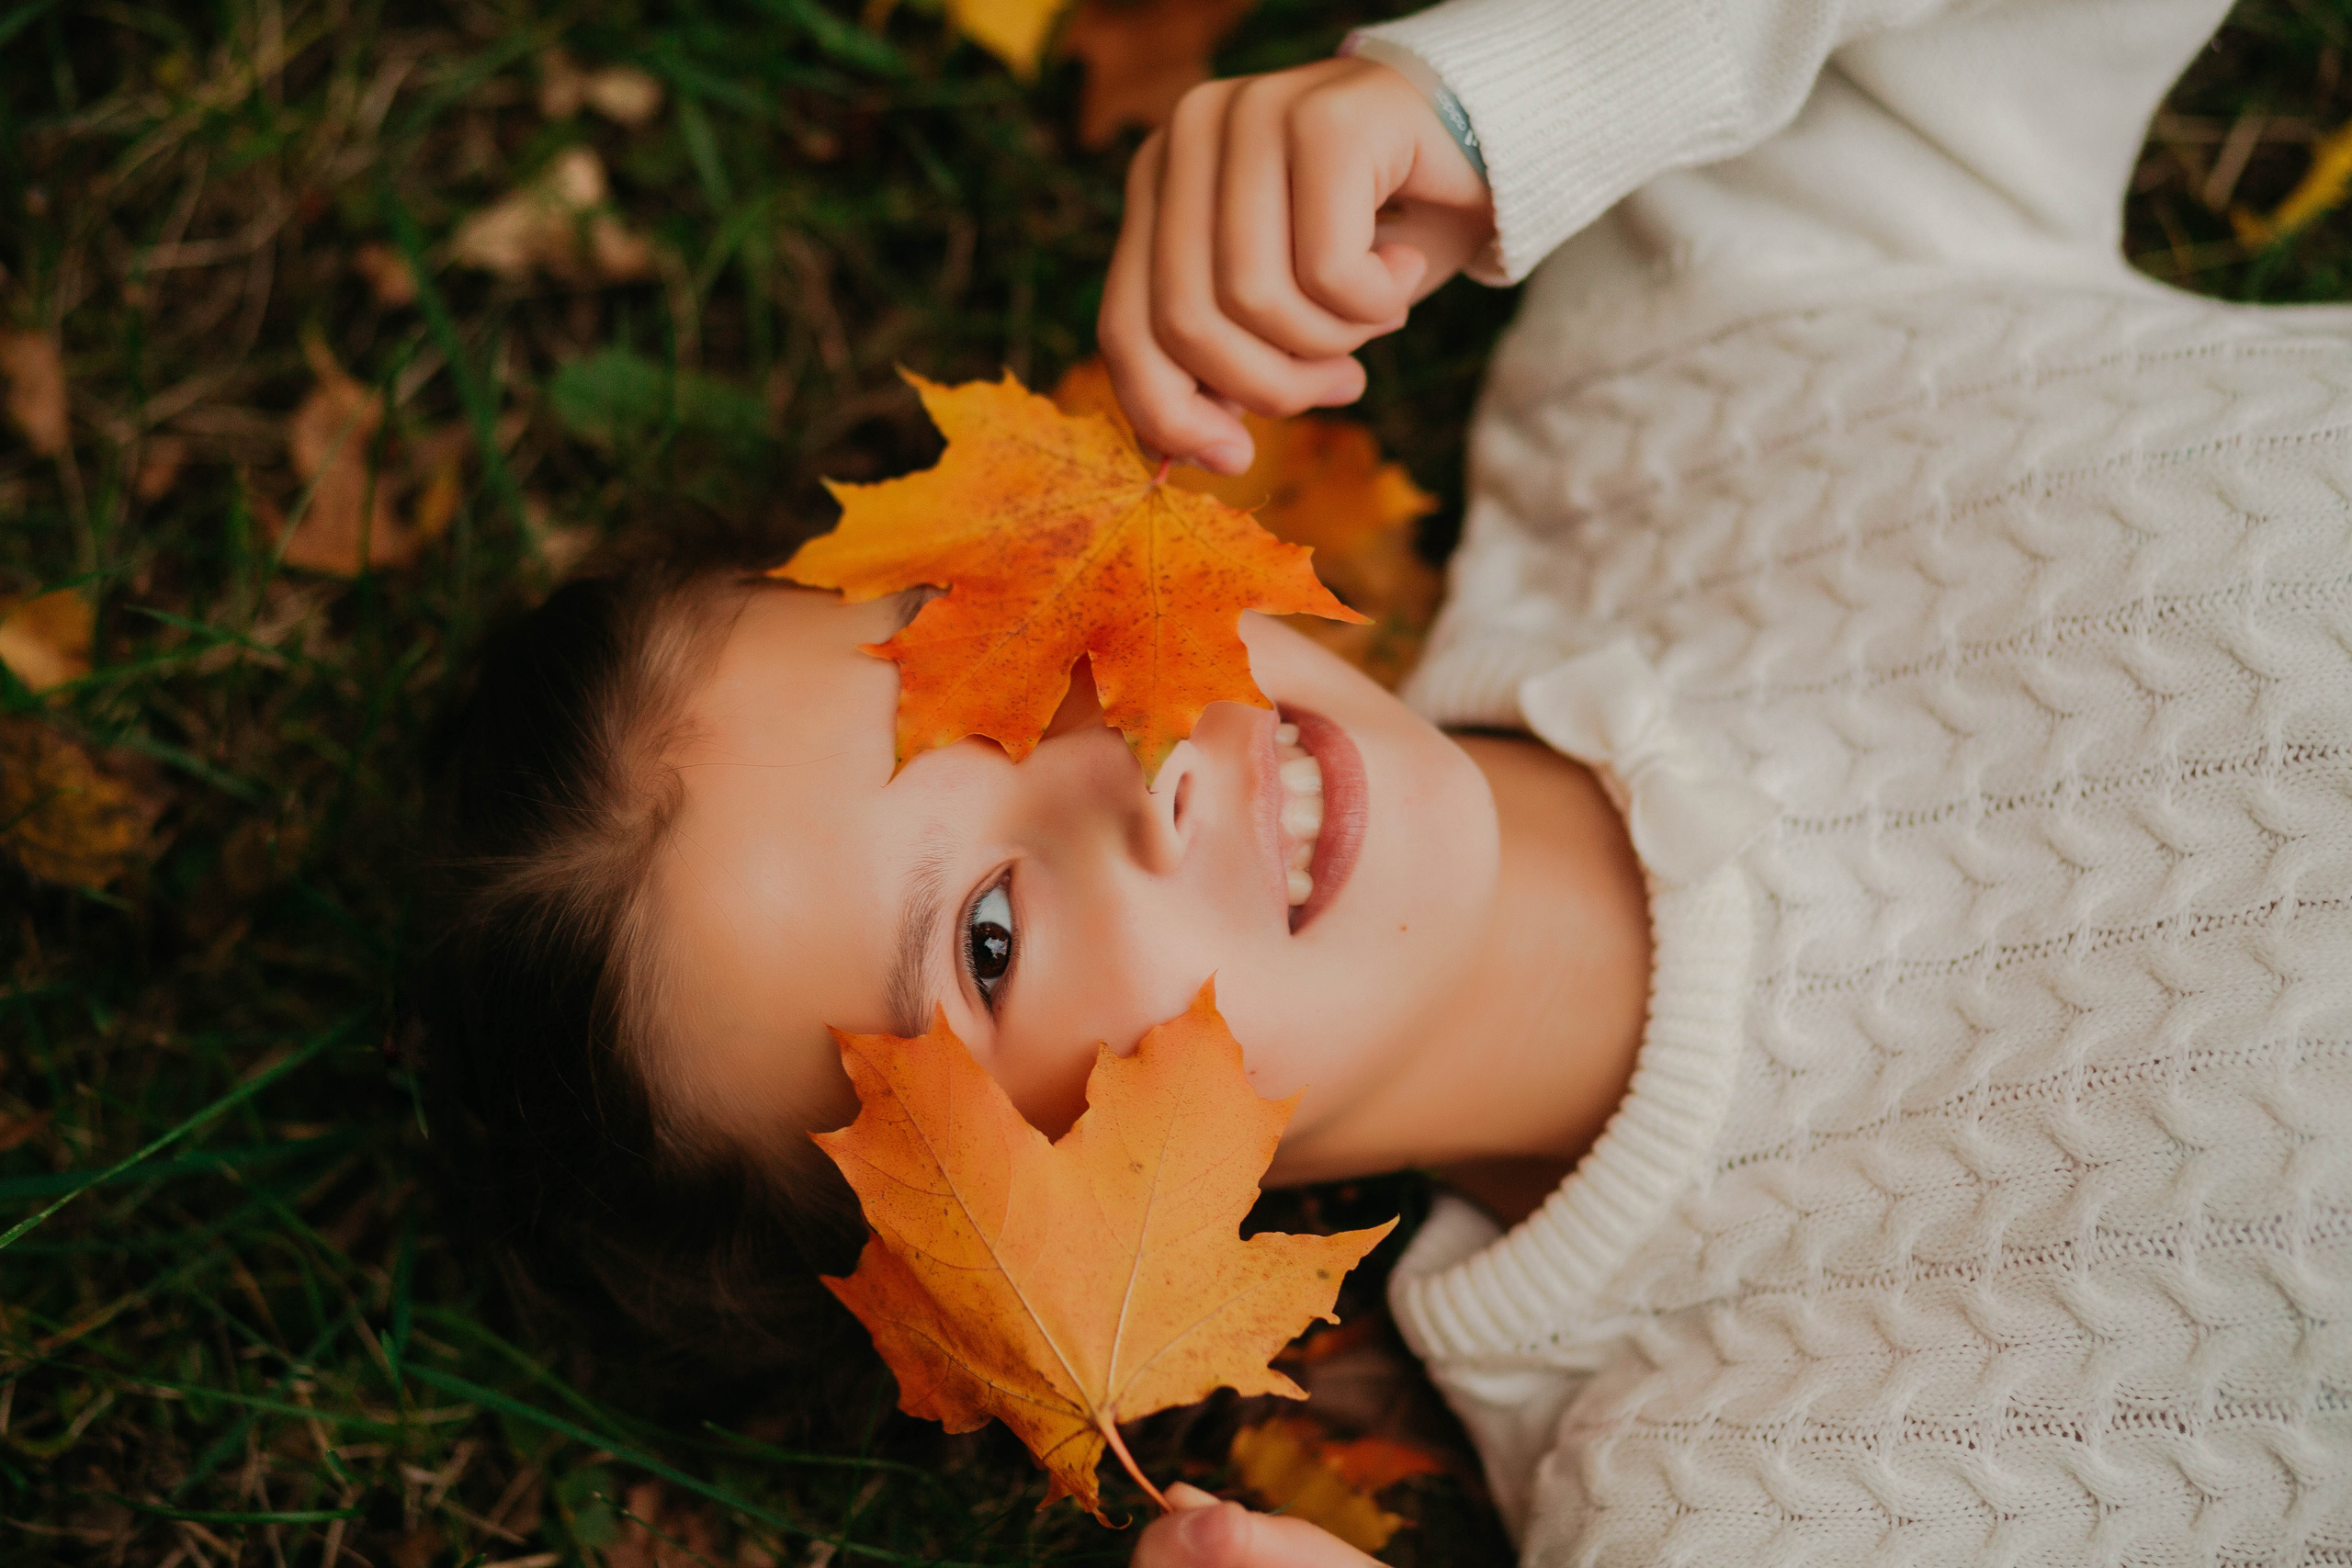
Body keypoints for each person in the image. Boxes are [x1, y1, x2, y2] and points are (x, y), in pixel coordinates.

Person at [423, 0, 2352, 1561]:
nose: (1137, 769)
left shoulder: (1689, 375)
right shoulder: (1734, 1475)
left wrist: (1490, 95)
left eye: (979, 652)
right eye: (989, 935)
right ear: (1010, 1272)